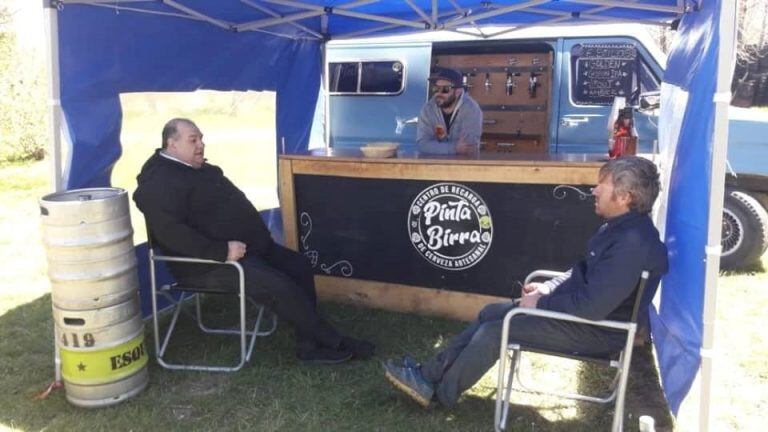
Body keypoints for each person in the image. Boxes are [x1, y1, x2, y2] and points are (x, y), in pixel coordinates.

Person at [383, 156, 668, 407]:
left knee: (495, 331)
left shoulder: (633, 243)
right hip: (582, 319)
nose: (594, 190)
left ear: (625, 197)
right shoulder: (619, 229)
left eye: (601, 186)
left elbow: (593, 307)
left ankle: (439, 394)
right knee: (490, 313)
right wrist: (547, 288)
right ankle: (428, 376)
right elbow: (580, 271)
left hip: (598, 332)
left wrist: (540, 303)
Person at [134, 118, 374, 364]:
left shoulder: (193, 167)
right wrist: (221, 250)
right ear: (171, 144)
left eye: (201, 139)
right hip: (205, 264)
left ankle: (308, 344)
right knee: (278, 284)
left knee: (298, 266)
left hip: (247, 248)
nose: (201, 145)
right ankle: (334, 340)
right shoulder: (159, 181)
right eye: (193, 140)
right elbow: (171, 234)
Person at [416, 66, 483, 155]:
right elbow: (422, 145)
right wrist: (454, 148)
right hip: (435, 164)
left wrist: (436, 147)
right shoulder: (428, 109)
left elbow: (467, 147)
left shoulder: (471, 109)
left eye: (445, 89)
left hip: (463, 164)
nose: (439, 93)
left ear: (458, 92)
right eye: (436, 88)